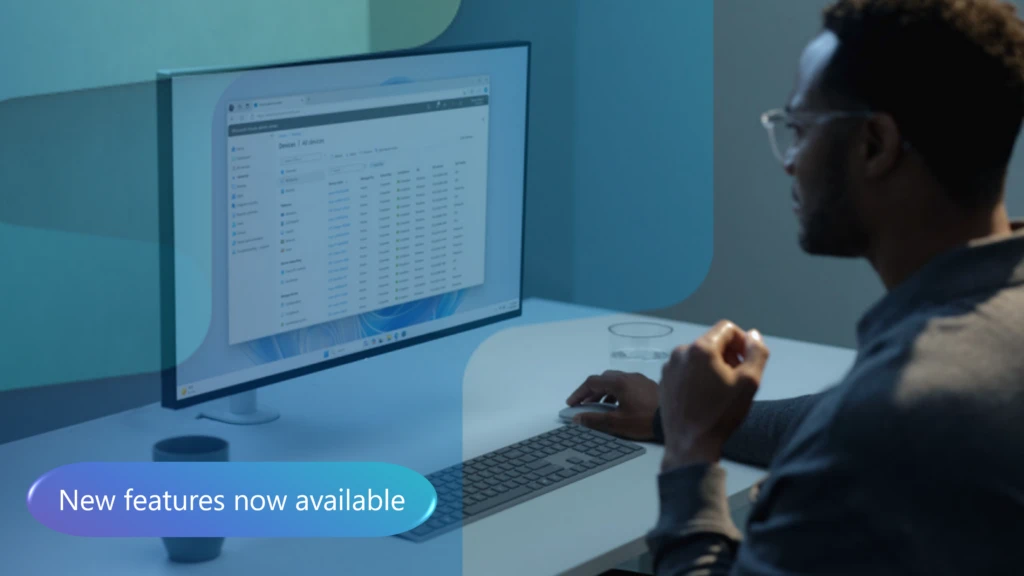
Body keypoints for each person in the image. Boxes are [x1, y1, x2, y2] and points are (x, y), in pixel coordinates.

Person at [566, 1, 1024, 574]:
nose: (789, 161)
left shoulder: (887, 420)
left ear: (874, 145)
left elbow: (867, 424)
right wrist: (679, 416)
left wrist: (690, 454)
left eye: (801, 129)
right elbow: (840, 415)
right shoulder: (975, 337)